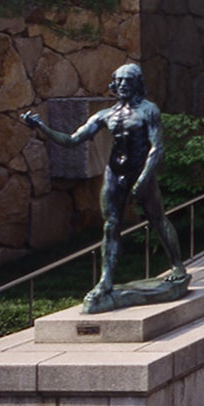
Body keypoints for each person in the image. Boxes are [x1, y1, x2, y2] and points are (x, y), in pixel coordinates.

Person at [23, 62, 187, 312]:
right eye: (119, 81)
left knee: (157, 219)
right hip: (115, 175)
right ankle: (106, 280)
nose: (122, 85)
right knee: (111, 225)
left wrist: (144, 179)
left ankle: (178, 267)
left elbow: (157, 148)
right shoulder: (105, 115)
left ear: (137, 83)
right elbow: (72, 140)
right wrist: (42, 128)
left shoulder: (148, 111)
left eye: (127, 81)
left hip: (141, 172)